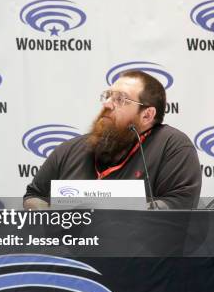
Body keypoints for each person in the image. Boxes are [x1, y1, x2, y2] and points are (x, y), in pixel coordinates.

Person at [24, 70, 201, 210]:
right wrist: (52, 215)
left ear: (147, 115)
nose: (107, 104)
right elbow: (33, 195)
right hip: (70, 252)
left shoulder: (172, 146)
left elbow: (180, 206)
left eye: (120, 99)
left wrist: (112, 218)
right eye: (107, 96)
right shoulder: (70, 149)